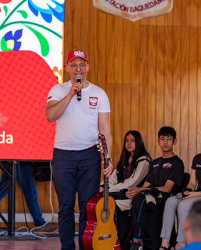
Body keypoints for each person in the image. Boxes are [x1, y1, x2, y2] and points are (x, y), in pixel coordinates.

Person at [46, 49, 113, 250]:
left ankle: (85, 247)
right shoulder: (58, 90)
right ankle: (67, 247)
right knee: (65, 206)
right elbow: (50, 115)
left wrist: (108, 158)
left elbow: (106, 129)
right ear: (67, 68)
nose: (78, 69)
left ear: (88, 67)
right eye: (74, 65)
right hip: (63, 155)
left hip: (89, 156)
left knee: (87, 207)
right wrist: (71, 93)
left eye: (82, 65)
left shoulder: (99, 93)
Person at [126, 126, 184, 250]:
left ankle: (137, 240)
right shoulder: (155, 163)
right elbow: (146, 185)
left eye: (169, 139)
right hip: (150, 194)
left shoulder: (177, 163)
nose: (165, 142)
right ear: (158, 141)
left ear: (175, 141)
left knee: (140, 199)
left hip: (166, 197)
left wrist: (141, 190)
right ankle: (130, 239)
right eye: (162, 139)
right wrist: (135, 190)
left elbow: (167, 188)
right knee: (132, 196)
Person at [0, 162, 58, 235]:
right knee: (31, 194)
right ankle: (40, 224)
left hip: (12, 157)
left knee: (2, 191)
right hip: (22, 160)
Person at [109, 130, 151, 250]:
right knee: (104, 197)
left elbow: (132, 181)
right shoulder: (124, 159)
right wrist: (103, 186)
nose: (129, 143)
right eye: (127, 140)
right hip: (121, 192)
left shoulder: (144, 159)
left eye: (132, 141)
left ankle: (121, 241)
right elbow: (113, 178)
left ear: (139, 142)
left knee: (114, 197)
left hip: (135, 194)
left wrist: (109, 188)